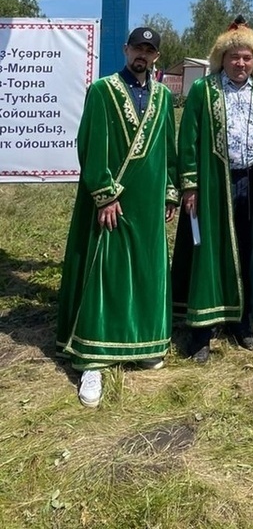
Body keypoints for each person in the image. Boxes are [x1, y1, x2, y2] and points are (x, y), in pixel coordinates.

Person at [56, 26, 179, 408]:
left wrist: (170, 189)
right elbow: (91, 144)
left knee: (146, 268)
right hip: (114, 199)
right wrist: (104, 194)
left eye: (150, 51)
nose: (143, 55)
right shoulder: (103, 90)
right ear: (125, 50)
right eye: (137, 48)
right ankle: (93, 359)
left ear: (156, 57)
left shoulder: (161, 96)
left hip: (148, 201)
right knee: (105, 272)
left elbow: (167, 149)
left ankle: (142, 341)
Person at [171, 19, 253, 363]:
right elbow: (189, 140)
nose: (240, 63)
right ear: (221, 59)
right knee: (208, 254)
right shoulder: (204, 91)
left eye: (246, 57)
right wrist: (190, 185)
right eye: (234, 57)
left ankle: (241, 324)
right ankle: (200, 333)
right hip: (215, 183)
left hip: (252, 182)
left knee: (246, 252)